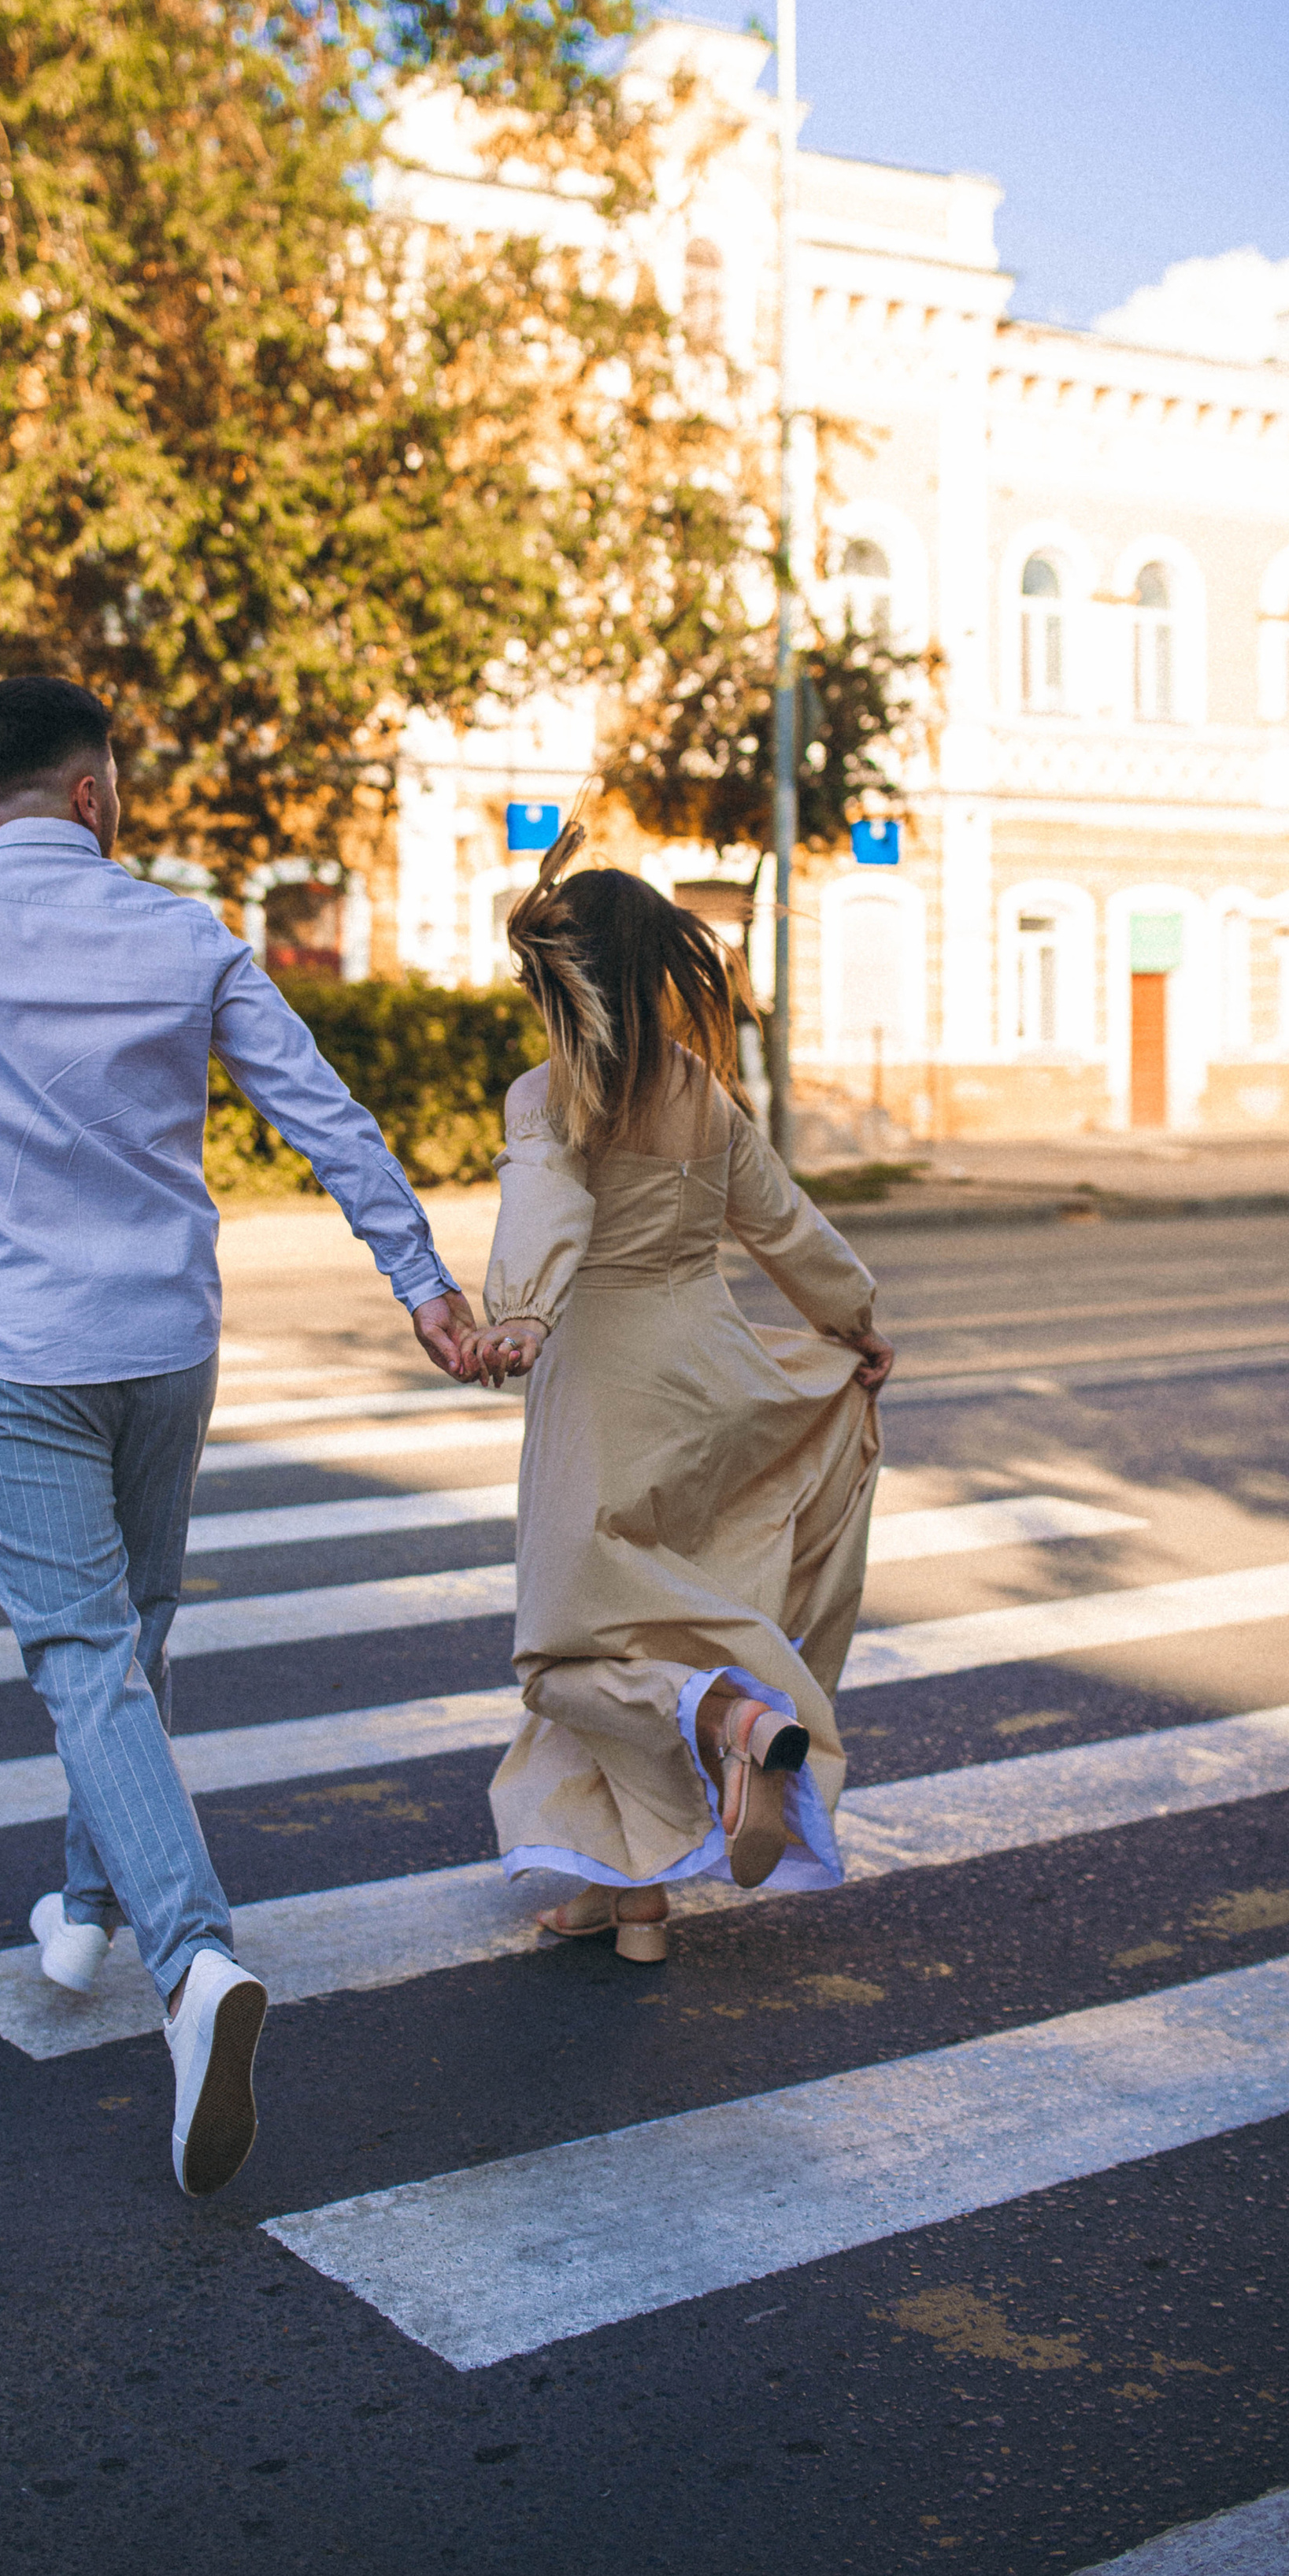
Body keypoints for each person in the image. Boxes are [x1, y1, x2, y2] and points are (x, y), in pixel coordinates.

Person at [0, 675, 475, 2196]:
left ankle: (193, 1959)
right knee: (135, 1636)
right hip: (165, 1341)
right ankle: (86, 1907)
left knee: (85, 1658)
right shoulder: (184, 931)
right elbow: (324, 1113)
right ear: (98, 789)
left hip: (16, 1349)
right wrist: (422, 1285)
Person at [457, 823, 893, 1961]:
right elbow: (784, 1224)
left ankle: (726, 1718)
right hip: (710, 1381)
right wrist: (851, 1321)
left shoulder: (546, 1095)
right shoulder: (702, 1093)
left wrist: (521, 1311)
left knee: (563, 1660)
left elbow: (546, 1203)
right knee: (638, 1635)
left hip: (600, 1387)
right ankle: (628, 1895)